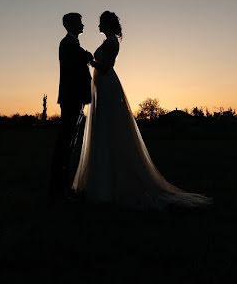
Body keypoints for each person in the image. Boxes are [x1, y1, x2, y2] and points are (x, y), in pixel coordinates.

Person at [72, 11, 212, 210]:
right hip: (102, 87)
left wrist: (89, 60)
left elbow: (105, 68)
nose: (98, 26)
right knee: (102, 131)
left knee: (109, 129)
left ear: (107, 24)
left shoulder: (112, 42)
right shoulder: (108, 41)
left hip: (107, 86)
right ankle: (102, 183)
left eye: (100, 23)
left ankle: (108, 187)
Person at [49, 12, 94, 200]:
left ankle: (63, 188)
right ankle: (59, 190)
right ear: (71, 25)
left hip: (76, 98)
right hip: (71, 99)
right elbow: (81, 58)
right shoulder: (67, 44)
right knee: (65, 143)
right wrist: (87, 55)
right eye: (80, 22)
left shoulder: (72, 44)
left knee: (70, 143)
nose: (83, 25)